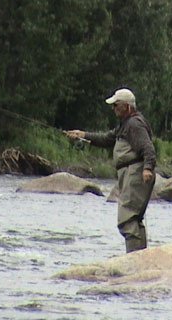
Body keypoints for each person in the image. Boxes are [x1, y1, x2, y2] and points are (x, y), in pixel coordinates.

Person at [65, 88, 156, 253]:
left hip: (135, 172)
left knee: (127, 219)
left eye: (116, 105)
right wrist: (82, 134)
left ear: (127, 107)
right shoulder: (125, 125)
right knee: (132, 219)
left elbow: (148, 148)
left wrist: (147, 168)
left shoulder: (134, 124)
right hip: (129, 173)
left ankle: (134, 259)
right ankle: (139, 256)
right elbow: (107, 139)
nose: (113, 109)